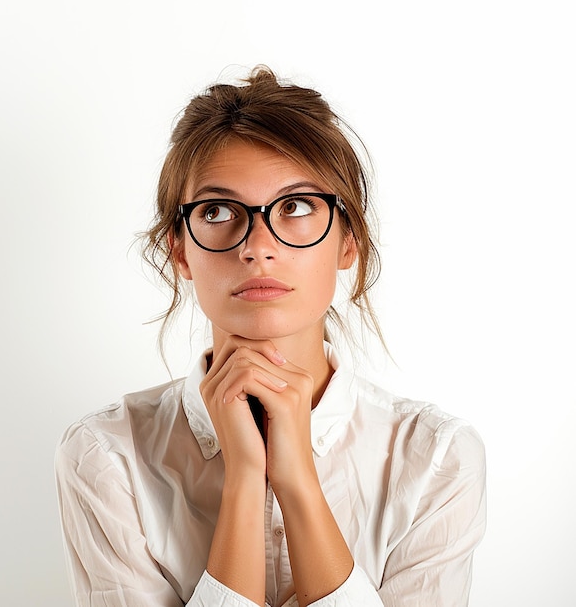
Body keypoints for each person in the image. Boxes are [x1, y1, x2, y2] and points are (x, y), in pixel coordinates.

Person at [55, 67, 486, 607]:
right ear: (180, 250)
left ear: (348, 242)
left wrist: (298, 480)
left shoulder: (434, 459)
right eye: (217, 211)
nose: (258, 246)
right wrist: (243, 479)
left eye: (297, 206)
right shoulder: (107, 456)